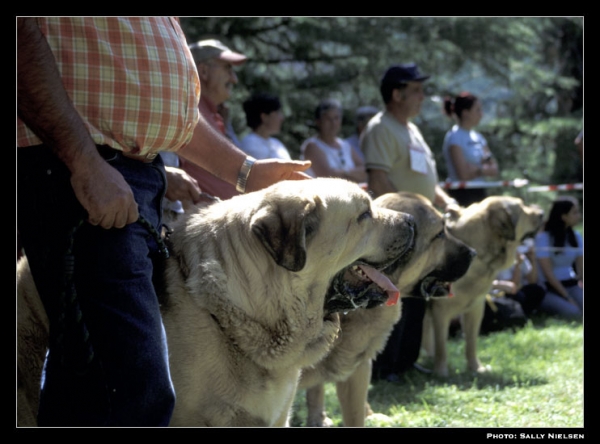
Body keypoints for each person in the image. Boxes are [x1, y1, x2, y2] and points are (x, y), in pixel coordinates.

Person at [17, 17, 311, 426]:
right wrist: (84, 162)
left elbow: (169, 114)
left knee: (90, 384)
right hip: (83, 175)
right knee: (133, 386)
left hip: (122, 175)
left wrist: (246, 171)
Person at [361, 63, 457, 381]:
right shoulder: (381, 128)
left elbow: (425, 179)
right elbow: (378, 179)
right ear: (396, 93)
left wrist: (445, 202)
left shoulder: (410, 129)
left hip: (423, 232)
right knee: (392, 298)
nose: (422, 96)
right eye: (416, 90)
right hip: (400, 232)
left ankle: (405, 361)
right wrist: (406, 222)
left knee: (416, 297)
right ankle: (384, 366)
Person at [178, 38, 248, 201]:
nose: (234, 79)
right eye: (228, 69)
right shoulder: (189, 110)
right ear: (203, 71)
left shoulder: (213, 114)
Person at [442, 92, 499, 206]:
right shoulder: (454, 137)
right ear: (465, 113)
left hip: (480, 193)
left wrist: (474, 169)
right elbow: (463, 174)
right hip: (461, 195)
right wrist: (482, 168)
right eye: (477, 110)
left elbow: (494, 169)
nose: (481, 114)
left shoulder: (479, 137)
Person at [534, 196, 583, 321]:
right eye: (575, 212)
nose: (579, 215)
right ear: (563, 216)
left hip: (571, 284)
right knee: (574, 313)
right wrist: (568, 298)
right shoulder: (543, 239)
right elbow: (548, 275)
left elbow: (581, 267)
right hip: (549, 288)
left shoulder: (576, 236)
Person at [300, 98, 367, 183]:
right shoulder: (312, 146)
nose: (333, 123)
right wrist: (354, 175)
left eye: (336, 118)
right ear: (318, 122)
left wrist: (343, 172)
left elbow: (365, 171)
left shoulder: (345, 145)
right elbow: (328, 177)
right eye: (328, 119)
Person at [489, 238, 546, 317]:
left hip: (518, 289)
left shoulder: (520, 255)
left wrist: (532, 258)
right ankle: (517, 314)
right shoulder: (503, 260)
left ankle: (525, 313)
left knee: (539, 289)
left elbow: (532, 280)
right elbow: (513, 286)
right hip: (504, 293)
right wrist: (517, 265)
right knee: (519, 295)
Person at [240, 92, 292, 160]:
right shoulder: (250, 144)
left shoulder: (276, 143)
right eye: (277, 113)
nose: (281, 118)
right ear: (264, 117)